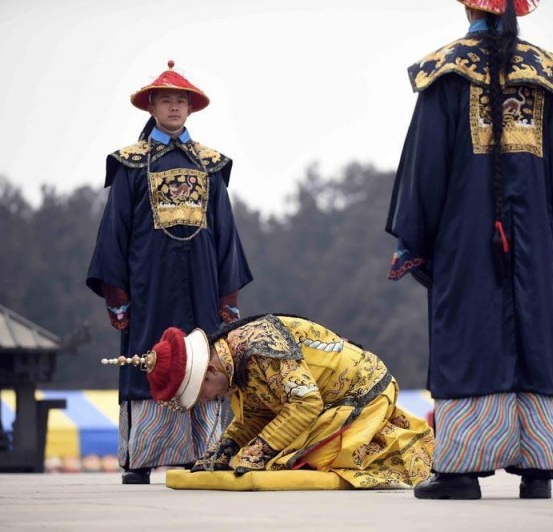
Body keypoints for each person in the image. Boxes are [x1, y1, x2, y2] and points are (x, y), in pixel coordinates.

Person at [386, 0, 553, 499]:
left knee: (467, 336)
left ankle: (460, 472)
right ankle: (537, 469)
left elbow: (425, 168)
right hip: (535, 242)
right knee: (534, 338)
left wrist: (417, 240)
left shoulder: (445, 73)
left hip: (465, 242)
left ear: (468, 9)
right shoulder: (546, 75)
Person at [87, 60, 253, 485]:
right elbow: (114, 232)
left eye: (181, 101)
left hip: (202, 285)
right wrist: (117, 292)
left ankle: (204, 452)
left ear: (191, 109)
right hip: (149, 285)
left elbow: (226, 235)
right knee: (149, 358)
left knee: (206, 359)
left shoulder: (211, 165)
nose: (174, 108)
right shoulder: (130, 164)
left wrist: (228, 297)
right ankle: (142, 457)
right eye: (166, 100)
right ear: (152, 107)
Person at [104, 314, 434, 489]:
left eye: (201, 393)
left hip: (361, 392)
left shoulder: (262, 346)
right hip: (327, 402)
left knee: (295, 458)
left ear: (207, 372)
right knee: (263, 457)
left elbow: (304, 405)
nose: (208, 398)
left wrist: (258, 450)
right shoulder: (234, 362)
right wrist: (224, 451)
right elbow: (258, 414)